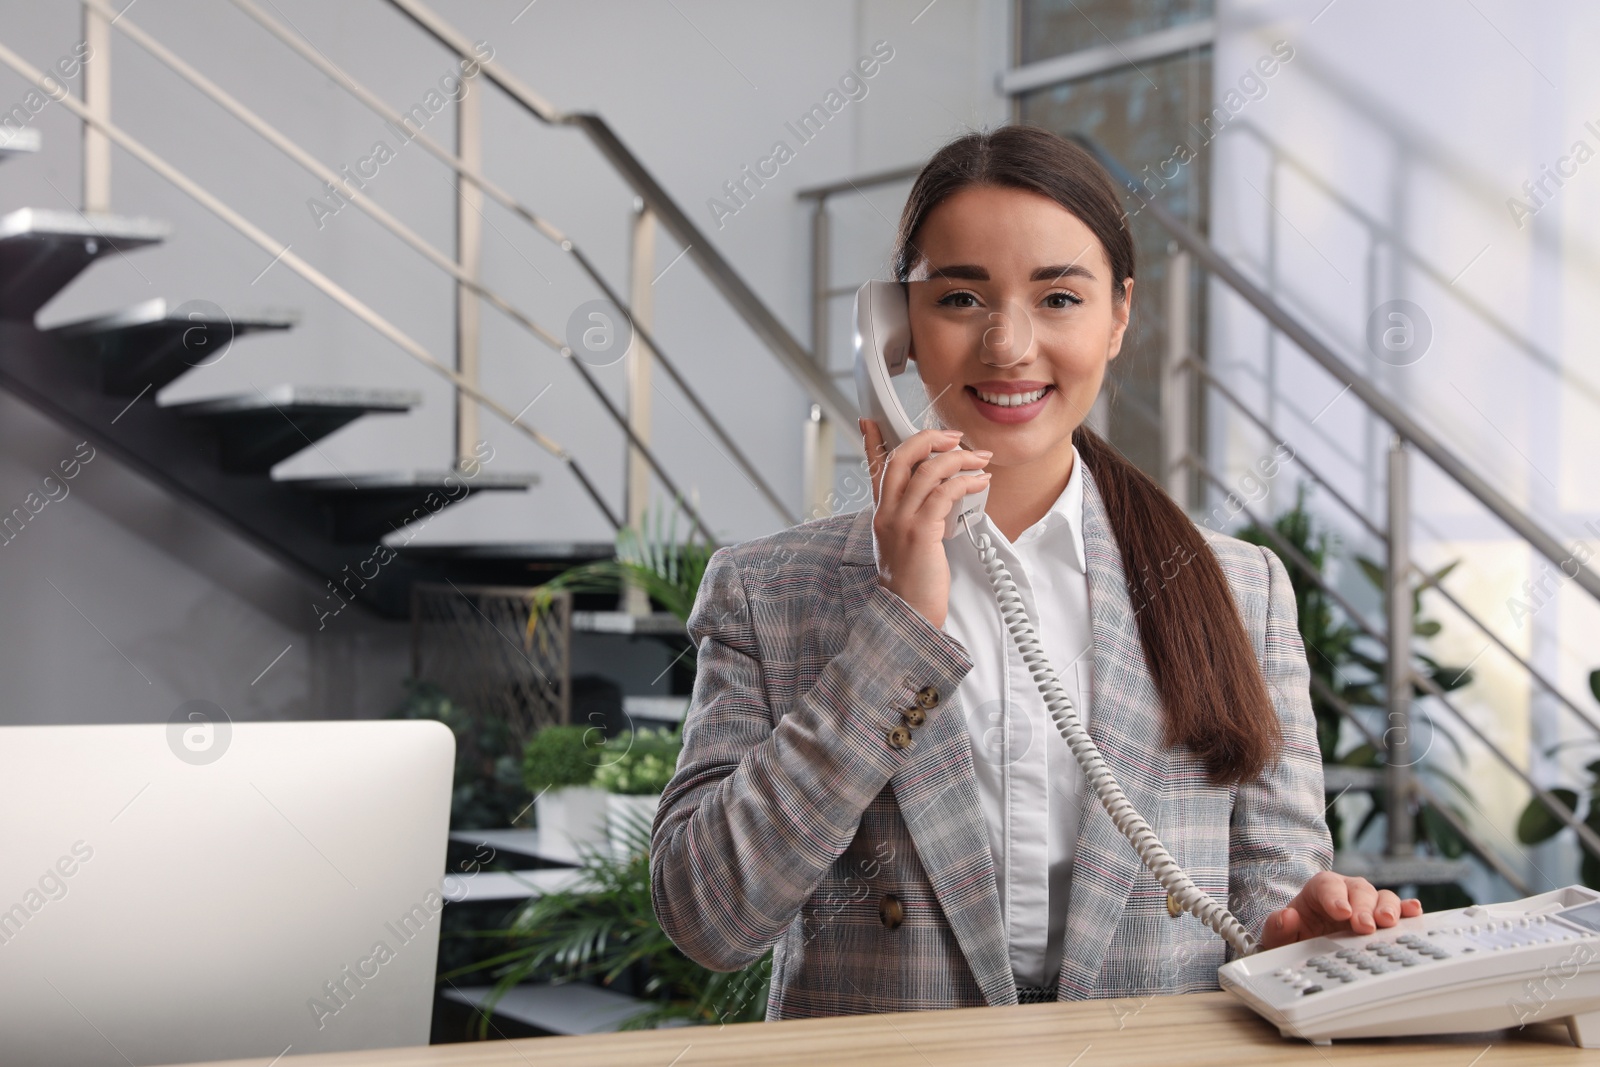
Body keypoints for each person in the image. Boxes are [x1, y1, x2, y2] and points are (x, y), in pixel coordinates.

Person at [649, 125, 1420, 1019]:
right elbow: (708, 916)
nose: (1009, 345)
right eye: (962, 298)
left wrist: (1295, 931)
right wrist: (898, 627)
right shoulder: (768, 592)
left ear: (1119, 315)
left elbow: (1269, 888)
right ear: (892, 329)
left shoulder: (1238, 591)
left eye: (1058, 298)